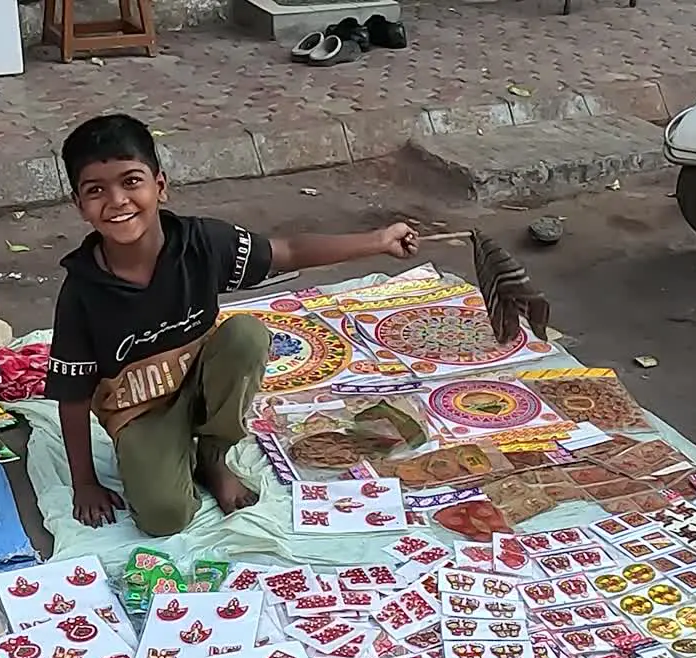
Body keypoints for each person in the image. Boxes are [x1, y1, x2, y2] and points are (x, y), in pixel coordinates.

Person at [44, 114, 421, 536]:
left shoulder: (203, 243)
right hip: (142, 411)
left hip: (204, 386)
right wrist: (84, 483)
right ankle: (166, 454)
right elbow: (73, 396)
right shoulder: (82, 292)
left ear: (160, 186)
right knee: (164, 518)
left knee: (246, 334)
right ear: (80, 206)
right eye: (96, 190)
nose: (116, 201)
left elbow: (289, 250)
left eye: (131, 181)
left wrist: (378, 240)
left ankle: (212, 456)